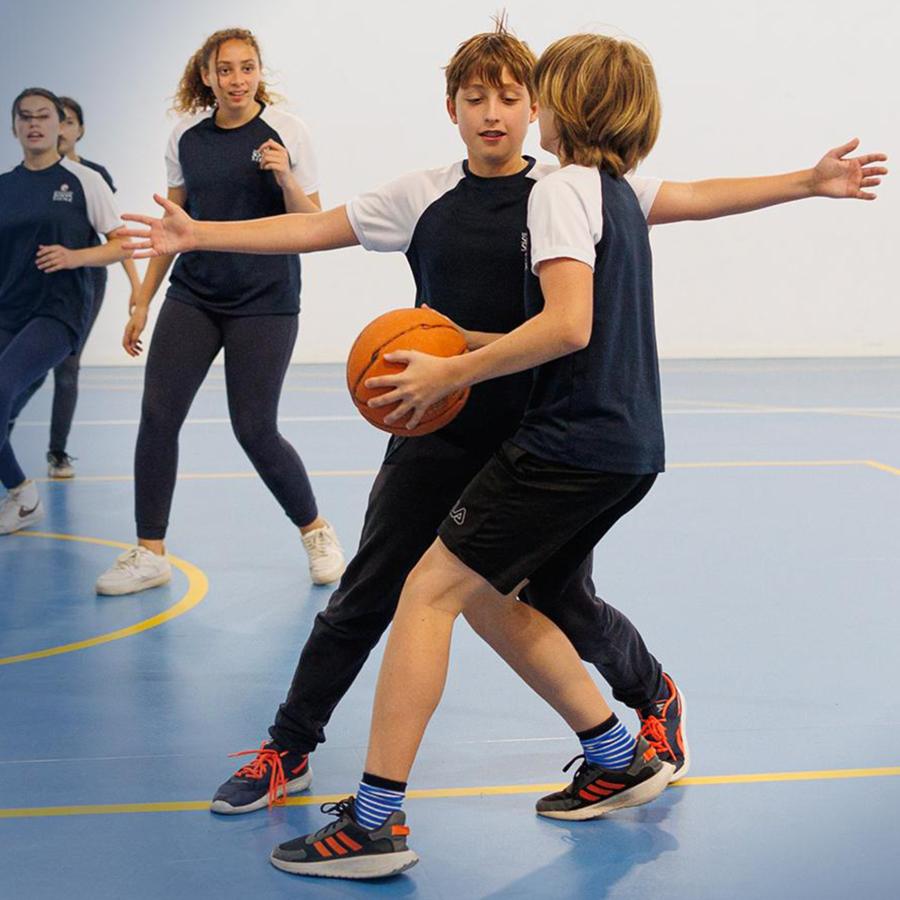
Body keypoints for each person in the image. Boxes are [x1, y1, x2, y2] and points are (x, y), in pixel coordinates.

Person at [118, 21, 887, 830]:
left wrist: (805, 180)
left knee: (557, 598)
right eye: (474, 97)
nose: (492, 112)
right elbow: (316, 228)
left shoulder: (572, 184)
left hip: (535, 432)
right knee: (367, 592)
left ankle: (647, 700)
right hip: (437, 419)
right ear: (450, 107)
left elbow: (692, 199)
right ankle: (289, 745)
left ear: (535, 107)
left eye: (509, 97)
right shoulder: (424, 193)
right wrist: (201, 232)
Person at [94, 27, 345, 596]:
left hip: (266, 300)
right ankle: (150, 552)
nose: (237, 79)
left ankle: (316, 530)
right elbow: (171, 229)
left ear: (261, 72)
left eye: (247, 67)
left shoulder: (289, 132)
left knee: (254, 428)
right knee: (158, 416)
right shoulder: (186, 137)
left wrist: (285, 175)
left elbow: (314, 224)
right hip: (195, 293)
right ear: (206, 75)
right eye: (225, 69)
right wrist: (142, 299)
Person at [0, 88, 126, 535]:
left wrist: (75, 257)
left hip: (58, 313)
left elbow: (121, 243)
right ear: (15, 126)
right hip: (8, 311)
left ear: (60, 125)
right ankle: (20, 493)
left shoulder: (83, 180)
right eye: (25, 117)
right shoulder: (5, 186)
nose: (34, 123)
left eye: (43, 116)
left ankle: (24, 491)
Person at [11, 96, 143, 479]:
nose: (61, 128)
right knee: (25, 371)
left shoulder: (92, 178)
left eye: (67, 122)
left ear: (77, 129)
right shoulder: (22, 181)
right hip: (33, 282)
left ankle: (57, 453)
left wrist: (136, 290)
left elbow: (116, 239)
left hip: (83, 282)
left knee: (67, 366)